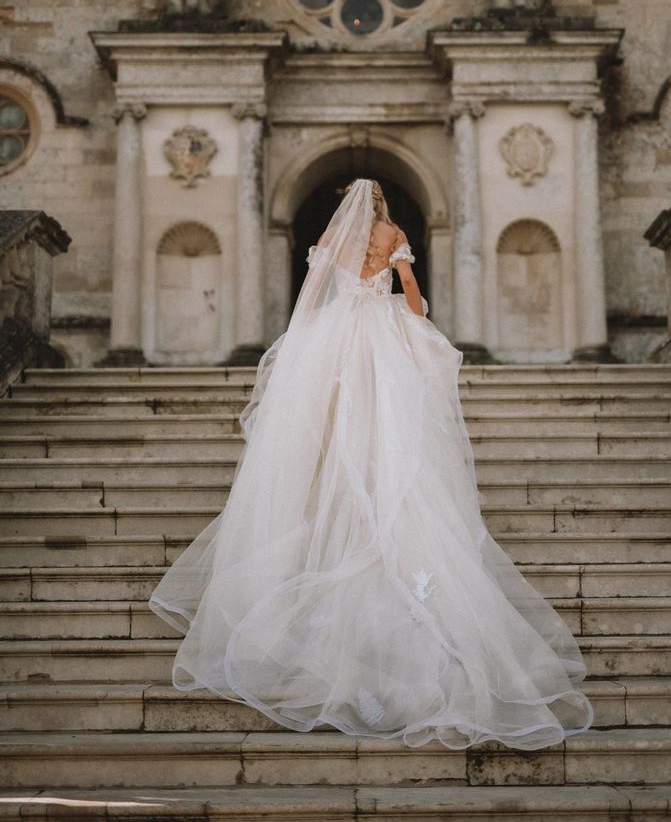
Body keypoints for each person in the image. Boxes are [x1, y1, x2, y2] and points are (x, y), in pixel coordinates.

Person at [149, 178, 592, 750]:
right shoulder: (393, 235)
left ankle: (333, 506)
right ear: (382, 206)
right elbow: (412, 298)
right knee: (389, 428)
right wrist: (409, 301)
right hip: (379, 336)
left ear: (347, 206)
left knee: (332, 428)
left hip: (334, 341)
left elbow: (315, 293)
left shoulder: (334, 237)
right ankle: (376, 508)